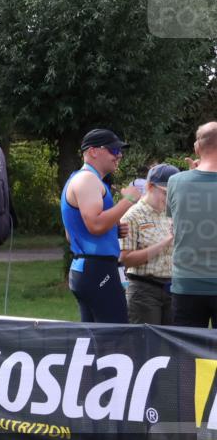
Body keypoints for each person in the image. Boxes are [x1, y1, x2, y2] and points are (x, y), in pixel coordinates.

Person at [61, 128, 142, 323]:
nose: (119, 155)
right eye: (114, 150)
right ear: (93, 151)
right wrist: (129, 200)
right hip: (96, 269)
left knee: (93, 340)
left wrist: (113, 229)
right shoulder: (87, 179)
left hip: (88, 268)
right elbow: (95, 225)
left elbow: (72, 234)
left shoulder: (84, 179)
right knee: (115, 337)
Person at [167, 121, 217, 328]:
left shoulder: (175, 181)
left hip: (186, 283)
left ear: (197, 147)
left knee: (185, 354)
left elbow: (174, 225)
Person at [119, 163, 178, 325]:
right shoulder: (132, 215)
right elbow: (126, 259)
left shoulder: (172, 212)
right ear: (150, 186)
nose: (170, 199)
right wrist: (165, 242)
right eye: (166, 193)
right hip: (144, 291)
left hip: (172, 289)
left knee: (175, 347)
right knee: (146, 346)